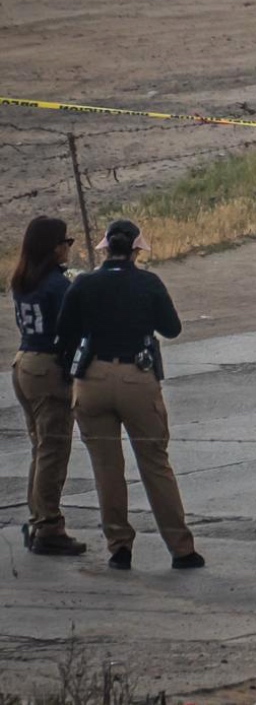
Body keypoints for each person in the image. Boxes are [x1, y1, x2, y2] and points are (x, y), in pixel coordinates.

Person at [57, 219, 203, 571]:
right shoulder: (148, 283)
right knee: (155, 464)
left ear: (105, 249)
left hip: (91, 378)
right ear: (137, 250)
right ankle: (180, 548)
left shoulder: (83, 284)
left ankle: (119, 545)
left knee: (107, 468)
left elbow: (64, 335)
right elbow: (172, 328)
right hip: (137, 377)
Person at [11, 216, 86, 557]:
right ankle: (49, 526)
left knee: (40, 449)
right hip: (48, 369)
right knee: (54, 451)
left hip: (24, 362)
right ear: (53, 247)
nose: (68, 248)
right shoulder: (58, 286)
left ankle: (38, 517)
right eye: (65, 243)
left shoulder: (23, 280)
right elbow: (72, 327)